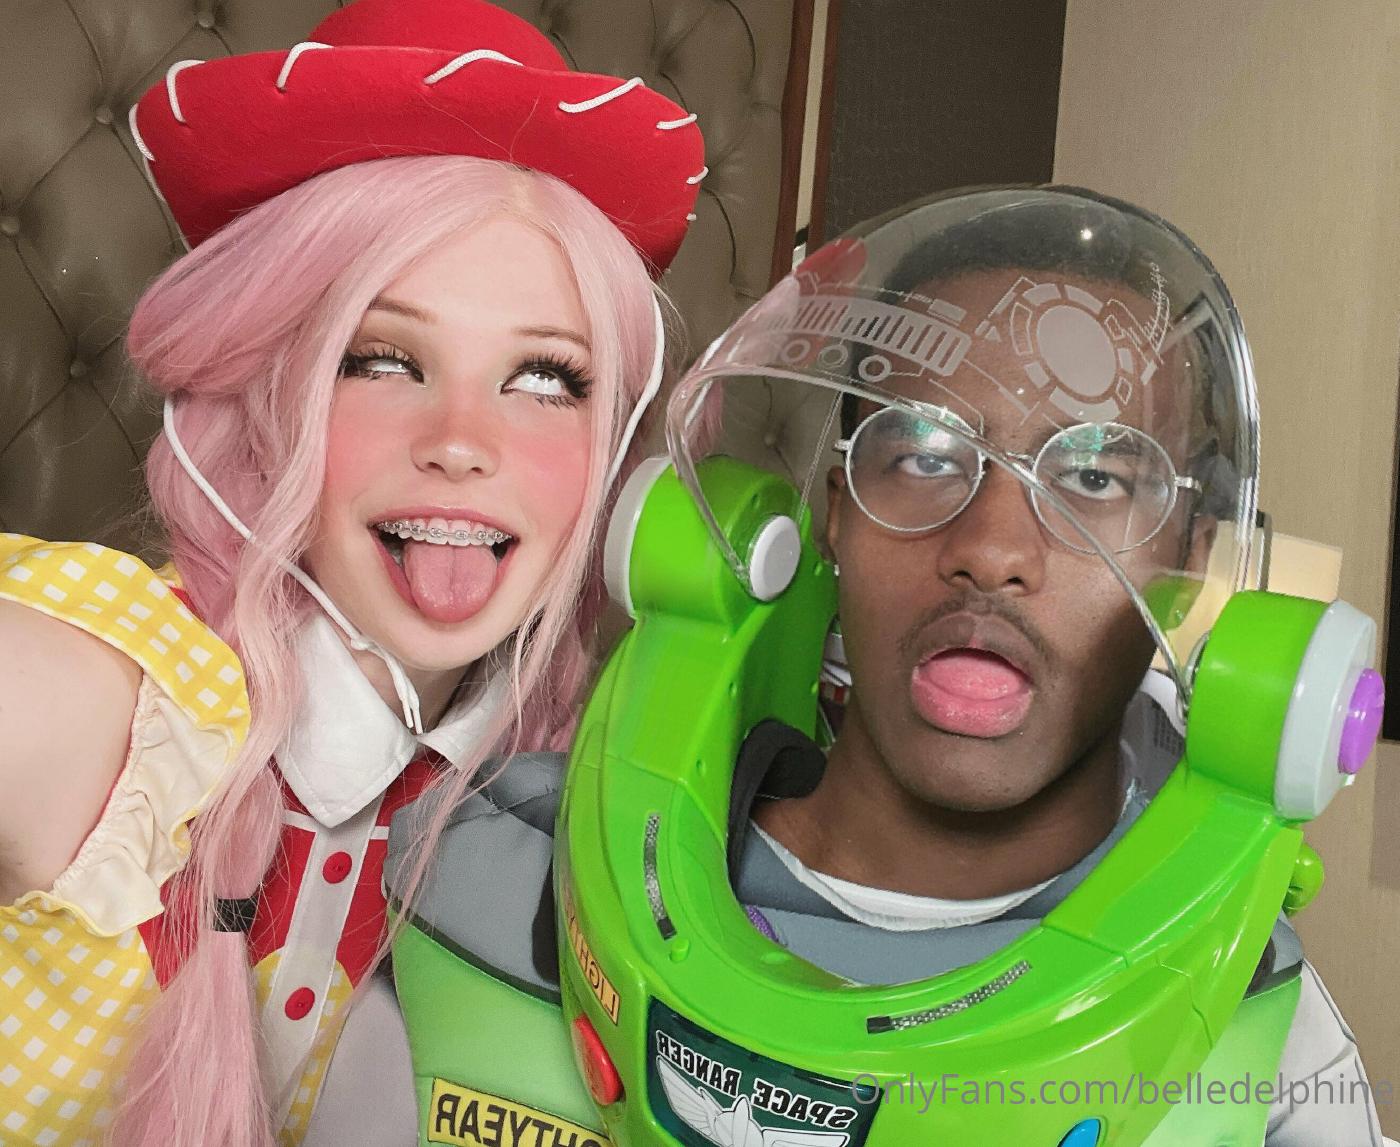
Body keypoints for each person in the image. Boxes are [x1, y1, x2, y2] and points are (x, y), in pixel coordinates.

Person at [402, 189, 1391, 1147]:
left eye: (1093, 476)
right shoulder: (500, 876)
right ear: (833, 511)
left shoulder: (1254, 1037)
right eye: (922, 453)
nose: (991, 548)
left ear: (1189, 568)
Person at [0, 0, 704, 1142]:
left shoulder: (593, 795)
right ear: (262, 395)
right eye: (381, 360)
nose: (462, 441)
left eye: (545, 378)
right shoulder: (121, 699)